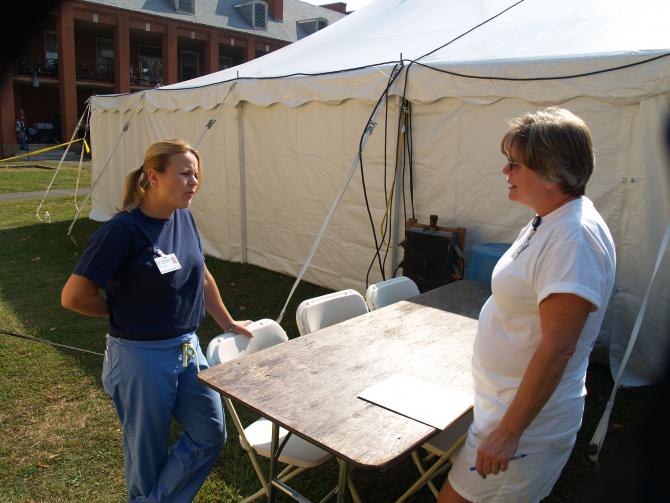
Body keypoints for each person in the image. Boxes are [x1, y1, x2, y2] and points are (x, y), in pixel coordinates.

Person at [439, 108, 616, 502]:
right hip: (504, 407)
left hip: (524, 427)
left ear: (552, 174)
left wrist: (508, 432)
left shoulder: (573, 238)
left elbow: (558, 348)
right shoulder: (549, 219)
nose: (505, 172)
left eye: (514, 164)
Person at [61, 138, 252, 502]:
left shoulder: (183, 217)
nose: (194, 182)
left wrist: (227, 323)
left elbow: (203, 276)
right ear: (153, 175)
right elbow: (72, 297)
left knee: (210, 433)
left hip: (187, 348)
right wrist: (121, 310)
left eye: (196, 174)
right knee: (146, 453)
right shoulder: (123, 231)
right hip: (140, 357)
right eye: (184, 174)